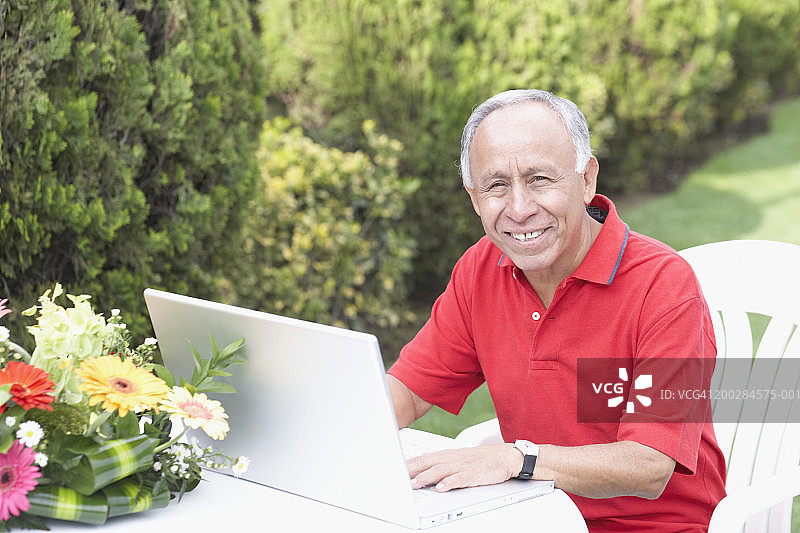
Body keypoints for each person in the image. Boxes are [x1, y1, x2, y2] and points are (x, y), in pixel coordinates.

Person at [387, 89, 727, 532]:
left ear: (587, 179)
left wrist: (518, 459)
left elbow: (649, 465)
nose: (520, 209)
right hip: (532, 516)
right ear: (474, 197)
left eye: (540, 179)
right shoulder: (479, 269)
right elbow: (409, 392)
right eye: (496, 186)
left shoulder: (663, 286)